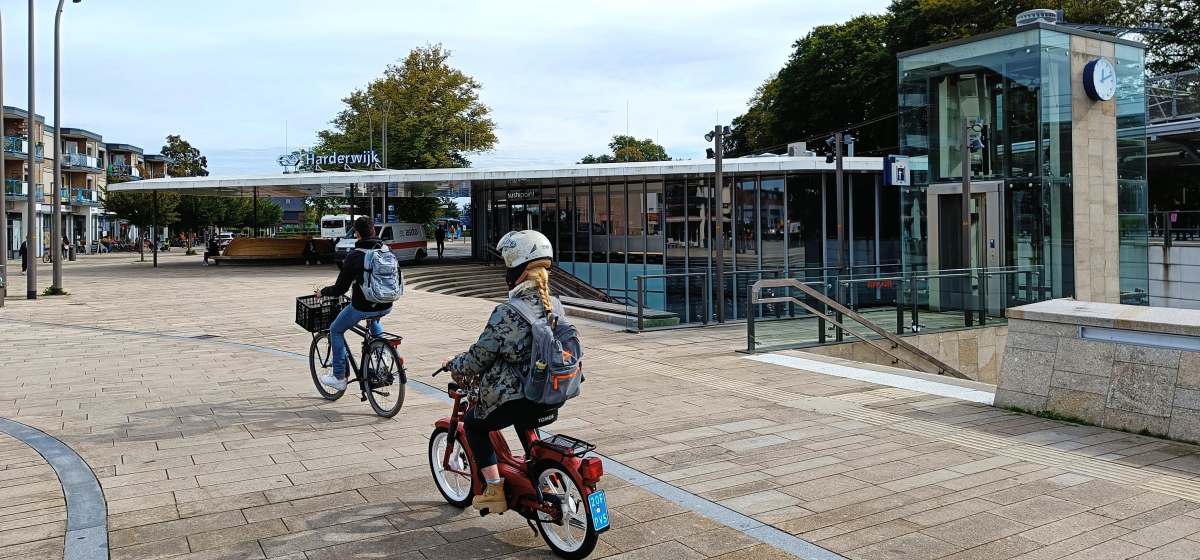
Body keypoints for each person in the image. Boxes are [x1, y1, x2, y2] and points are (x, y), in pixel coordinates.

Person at [441, 230, 562, 514]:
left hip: (518, 399)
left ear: (517, 270)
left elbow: (476, 361)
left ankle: (494, 489)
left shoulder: (506, 312)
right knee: (523, 414)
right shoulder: (554, 305)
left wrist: (452, 363)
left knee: (473, 424)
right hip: (551, 395)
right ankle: (536, 468)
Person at [315, 216, 393, 391]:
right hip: (387, 303)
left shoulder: (355, 255)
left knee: (336, 329)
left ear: (357, 234)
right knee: (374, 320)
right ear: (373, 232)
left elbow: (340, 289)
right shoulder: (387, 250)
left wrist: (323, 292)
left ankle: (339, 377)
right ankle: (382, 362)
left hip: (363, 306)